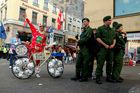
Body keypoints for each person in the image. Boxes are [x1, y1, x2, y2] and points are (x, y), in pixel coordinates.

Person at [23, 13, 47, 78]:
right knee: (29, 60)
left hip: (39, 50)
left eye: (42, 27)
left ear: (43, 28)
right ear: (39, 27)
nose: (41, 27)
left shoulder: (44, 35)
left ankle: (37, 73)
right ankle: (28, 71)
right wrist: (26, 18)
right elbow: (30, 24)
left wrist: (41, 46)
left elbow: (44, 43)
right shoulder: (35, 31)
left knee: (38, 62)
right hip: (32, 48)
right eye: (40, 26)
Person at [71, 18, 93, 82]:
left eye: (85, 21)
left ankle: (84, 77)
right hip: (81, 48)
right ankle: (77, 76)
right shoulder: (84, 30)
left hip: (86, 49)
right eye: (83, 21)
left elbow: (87, 39)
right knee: (78, 63)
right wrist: (78, 43)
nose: (84, 22)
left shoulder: (89, 30)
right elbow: (82, 39)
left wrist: (78, 41)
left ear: (88, 22)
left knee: (85, 64)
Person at [95, 16, 116, 84]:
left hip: (110, 49)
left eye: (110, 20)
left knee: (110, 64)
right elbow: (97, 38)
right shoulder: (100, 28)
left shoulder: (112, 30)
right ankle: (98, 78)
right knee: (100, 63)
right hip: (102, 49)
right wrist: (105, 45)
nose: (110, 21)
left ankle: (108, 77)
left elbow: (114, 38)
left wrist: (113, 44)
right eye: (109, 20)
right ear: (104, 21)